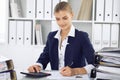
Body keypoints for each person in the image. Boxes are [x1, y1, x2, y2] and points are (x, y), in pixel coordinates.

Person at [28, 1, 95, 76]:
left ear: (72, 15)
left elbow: (94, 64)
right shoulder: (51, 36)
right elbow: (44, 57)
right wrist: (37, 66)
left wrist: (75, 71)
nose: (61, 22)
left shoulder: (82, 36)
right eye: (58, 19)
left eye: (65, 18)